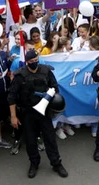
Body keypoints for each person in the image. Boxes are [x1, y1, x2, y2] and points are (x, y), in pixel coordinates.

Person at [8, 49, 68, 179]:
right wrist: (13, 116)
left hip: (44, 112)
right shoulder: (20, 75)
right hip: (28, 113)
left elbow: (55, 89)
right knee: (30, 140)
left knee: (50, 138)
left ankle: (56, 163)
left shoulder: (46, 71)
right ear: (27, 62)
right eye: (32, 62)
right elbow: (12, 97)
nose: (35, 63)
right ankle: (34, 163)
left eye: (36, 60)